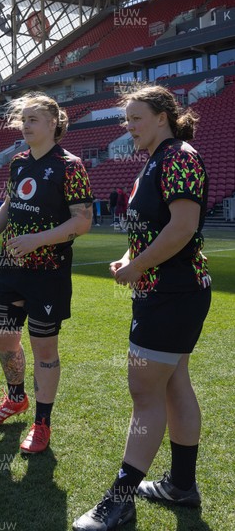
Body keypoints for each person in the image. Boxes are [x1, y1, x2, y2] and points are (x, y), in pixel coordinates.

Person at [73, 85, 211, 530]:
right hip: (170, 291)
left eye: (135, 118)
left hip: (171, 293)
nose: (127, 127)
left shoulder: (178, 157)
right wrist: (131, 259)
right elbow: (155, 231)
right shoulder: (155, 160)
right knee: (173, 385)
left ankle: (120, 500)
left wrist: (138, 268)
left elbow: (183, 227)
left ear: (162, 117)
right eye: (125, 119)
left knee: (144, 394)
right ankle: (181, 486)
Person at [0, 92, 93, 454]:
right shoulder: (18, 163)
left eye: (32, 119)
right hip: (11, 268)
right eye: (22, 120)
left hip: (48, 273)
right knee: (4, 337)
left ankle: (42, 423)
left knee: (44, 347)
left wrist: (38, 240)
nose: (25, 125)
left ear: (54, 123)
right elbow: (10, 204)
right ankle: (15, 399)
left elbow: (83, 221)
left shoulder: (70, 165)